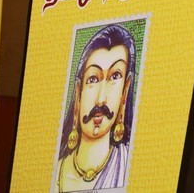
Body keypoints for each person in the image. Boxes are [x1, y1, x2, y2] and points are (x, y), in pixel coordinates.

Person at [55, 24, 136, 192]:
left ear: (125, 90)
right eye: (93, 79)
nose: (100, 100)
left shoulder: (131, 164)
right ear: (78, 92)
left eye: (115, 76)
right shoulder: (56, 171)